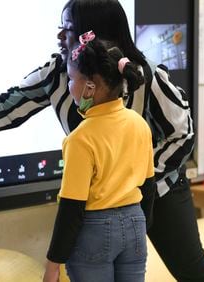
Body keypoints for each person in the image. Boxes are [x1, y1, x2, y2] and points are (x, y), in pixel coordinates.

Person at [0, 0, 204, 281]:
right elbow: (6, 107)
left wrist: (136, 178)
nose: (60, 35)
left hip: (158, 191)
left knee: (193, 273)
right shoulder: (58, 72)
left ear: (92, 34)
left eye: (68, 28)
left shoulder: (143, 74)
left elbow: (182, 132)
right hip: (98, 208)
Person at [43, 31, 153, 282]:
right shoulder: (138, 124)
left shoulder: (81, 139)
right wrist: (139, 230)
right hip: (136, 222)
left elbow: (72, 207)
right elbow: (149, 188)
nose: (69, 86)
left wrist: (52, 265)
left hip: (96, 229)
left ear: (90, 87)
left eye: (71, 79)